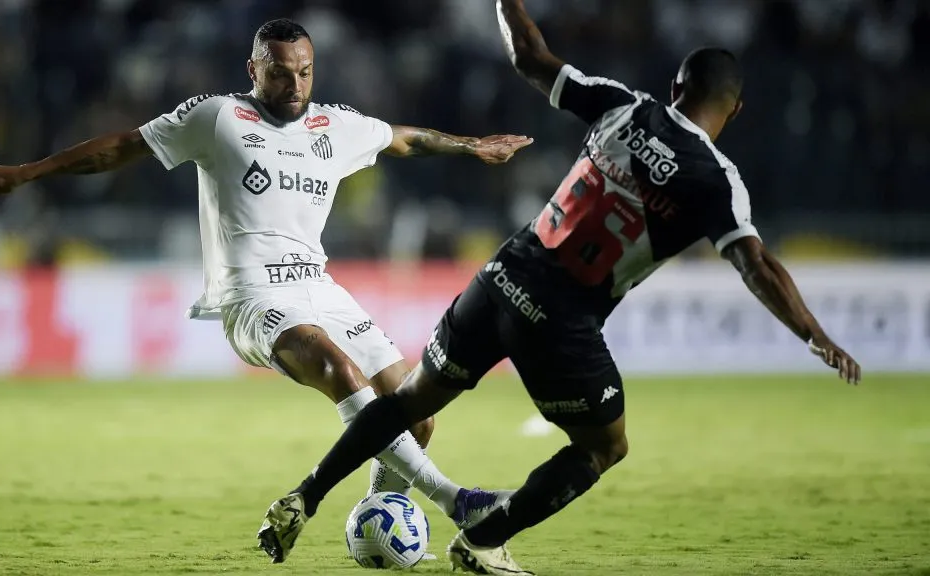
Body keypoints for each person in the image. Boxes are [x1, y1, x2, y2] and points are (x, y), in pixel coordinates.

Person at [257, 1, 862, 574]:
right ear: (735, 111)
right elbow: (756, 264)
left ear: (676, 88)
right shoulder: (716, 179)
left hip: (502, 276)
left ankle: (304, 496)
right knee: (604, 447)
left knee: (407, 402)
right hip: (563, 317)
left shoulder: (625, 106)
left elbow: (529, 58)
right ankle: (485, 541)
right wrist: (813, 332)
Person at [0, 18, 532, 564]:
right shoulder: (218, 117)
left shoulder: (334, 126)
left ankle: (383, 509)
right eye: (282, 73)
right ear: (254, 69)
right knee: (336, 367)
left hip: (320, 287)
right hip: (252, 297)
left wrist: (472, 145)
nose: (295, 86)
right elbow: (121, 147)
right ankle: (459, 502)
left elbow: (404, 140)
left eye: (306, 73)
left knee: (417, 413)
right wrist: (28, 172)